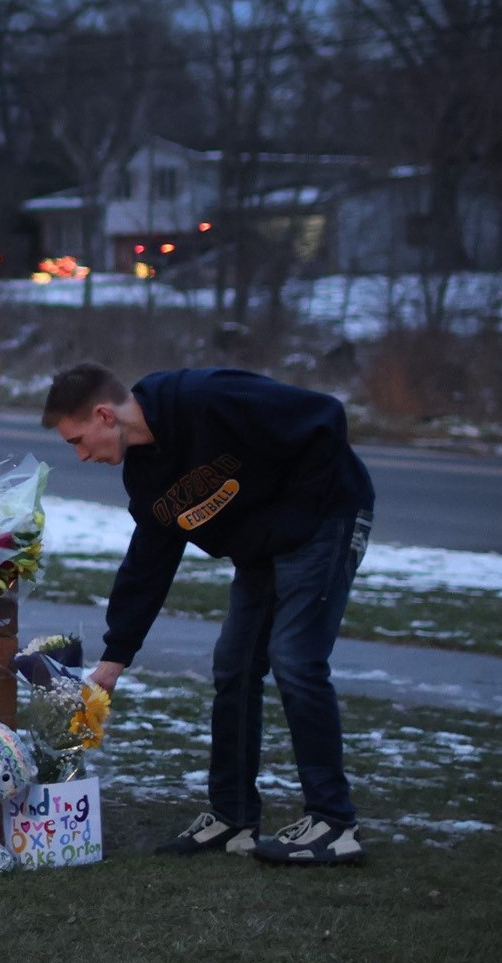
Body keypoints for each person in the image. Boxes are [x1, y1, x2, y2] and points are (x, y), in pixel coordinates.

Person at [40, 362, 373, 866]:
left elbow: (324, 415)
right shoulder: (148, 473)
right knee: (234, 665)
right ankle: (233, 817)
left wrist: (288, 520)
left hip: (325, 515)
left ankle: (333, 822)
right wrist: (113, 661)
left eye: (78, 440)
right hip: (267, 545)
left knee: (295, 659)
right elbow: (148, 563)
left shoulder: (204, 398)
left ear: (105, 415)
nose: (83, 456)